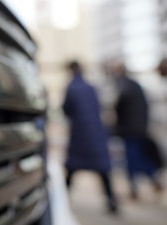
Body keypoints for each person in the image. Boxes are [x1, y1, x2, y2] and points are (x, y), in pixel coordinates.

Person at [62, 60, 118, 213]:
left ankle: (61, 200)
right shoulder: (91, 87)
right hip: (96, 133)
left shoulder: (71, 88)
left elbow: (66, 109)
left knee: (72, 167)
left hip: (79, 134)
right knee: (102, 168)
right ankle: (112, 201)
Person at [112, 61, 162, 199]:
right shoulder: (134, 85)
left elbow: (119, 106)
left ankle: (136, 188)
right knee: (138, 158)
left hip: (130, 130)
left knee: (133, 160)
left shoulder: (124, 86)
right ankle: (151, 181)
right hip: (138, 128)